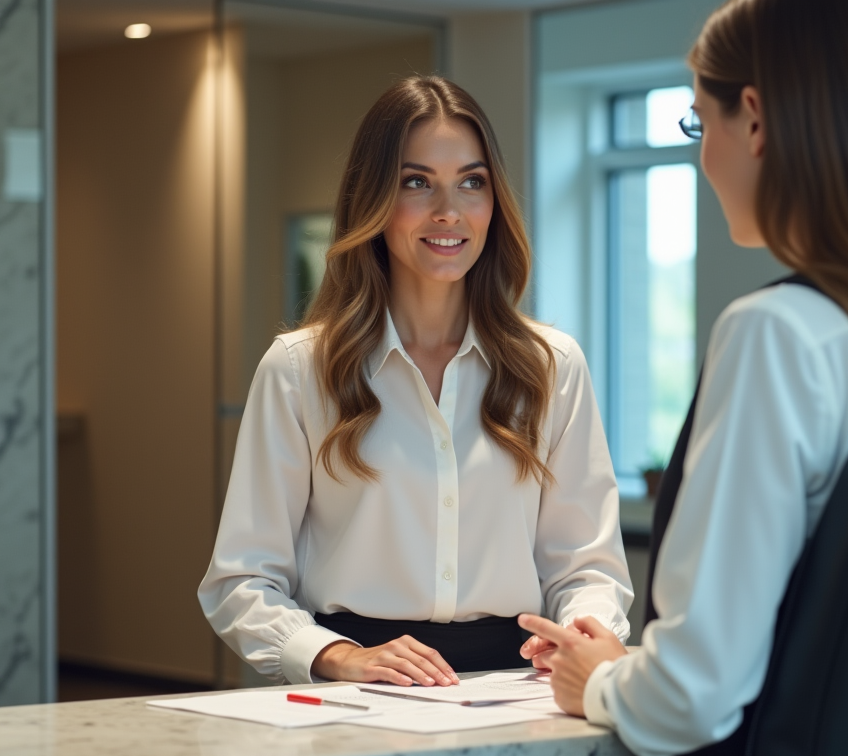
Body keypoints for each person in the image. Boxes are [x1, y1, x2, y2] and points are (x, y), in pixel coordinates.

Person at [517, 0, 848, 756]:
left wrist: (602, 681)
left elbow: (694, 698)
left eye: (698, 125)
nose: (702, 159)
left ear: (753, 119)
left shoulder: (778, 335)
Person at [200, 76, 633, 688]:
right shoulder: (299, 370)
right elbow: (240, 580)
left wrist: (584, 633)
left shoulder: (552, 366)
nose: (448, 211)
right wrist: (336, 654)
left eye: (472, 183)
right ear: (372, 199)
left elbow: (587, 568)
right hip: (358, 693)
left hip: (519, 693)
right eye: (416, 182)